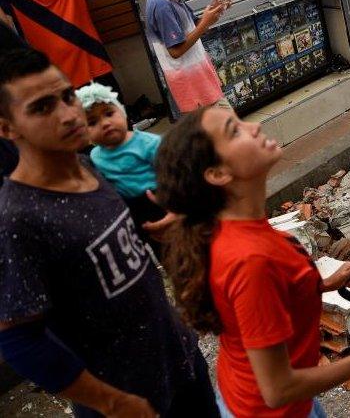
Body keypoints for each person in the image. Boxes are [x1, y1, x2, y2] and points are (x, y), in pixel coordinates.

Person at [0, 45, 219, 417]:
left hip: (179, 360)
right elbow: (19, 338)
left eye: (68, 96)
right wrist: (112, 403)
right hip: (125, 399)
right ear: (6, 127)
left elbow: (113, 243)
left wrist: (171, 224)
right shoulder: (17, 219)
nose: (69, 115)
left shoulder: (91, 167)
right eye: (42, 107)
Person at [154, 106, 350, 417]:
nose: (255, 126)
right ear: (218, 174)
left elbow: (265, 301)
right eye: (235, 131)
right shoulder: (250, 261)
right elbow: (277, 390)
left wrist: (324, 284)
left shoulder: (238, 229)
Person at [77, 81, 167, 253]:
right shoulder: (95, 156)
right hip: (128, 213)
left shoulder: (148, 143)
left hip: (158, 201)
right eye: (93, 122)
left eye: (109, 113)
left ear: (123, 112)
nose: (104, 123)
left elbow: (173, 175)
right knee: (156, 252)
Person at [146, 0, 232, 114]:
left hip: (202, 87)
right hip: (194, 92)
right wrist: (206, 22)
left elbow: (194, 28)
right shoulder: (160, 5)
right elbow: (176, 50)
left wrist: (214, 13)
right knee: (231, 134)